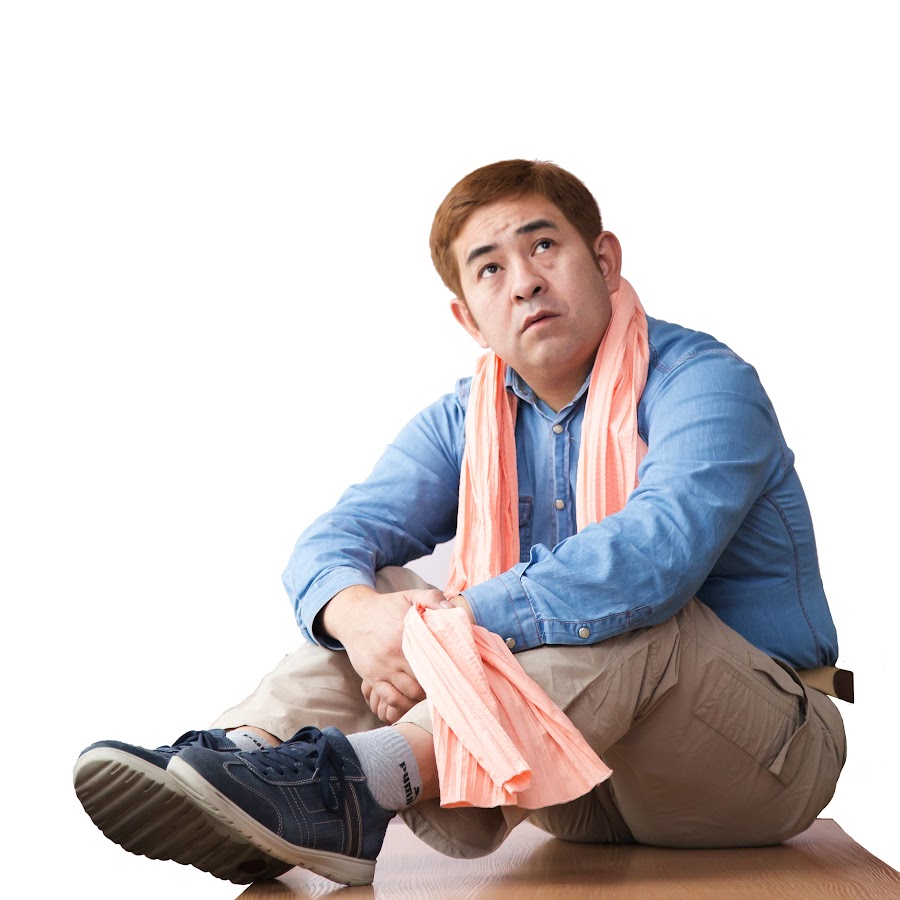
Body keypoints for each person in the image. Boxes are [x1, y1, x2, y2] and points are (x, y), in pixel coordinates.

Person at [73, 159, 847, 887]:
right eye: (490, 269)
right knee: (378, 591)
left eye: (543, 246)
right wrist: (366, 620)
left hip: (757, 764)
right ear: (468, 316)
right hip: (570, 783)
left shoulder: (704, 383)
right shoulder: (466, 417)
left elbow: (653, 559)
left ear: (605, 261)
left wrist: (442, 632)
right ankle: (242, 765)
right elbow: (336, 537)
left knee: (631, 609)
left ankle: (355, 787)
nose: (525, 281)